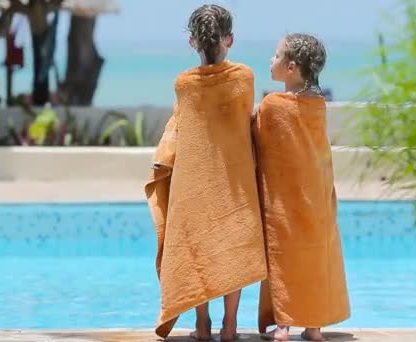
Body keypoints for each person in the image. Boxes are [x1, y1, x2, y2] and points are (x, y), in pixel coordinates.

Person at [145, 4, 266, 341]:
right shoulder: (245, 77)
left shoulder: (183, 83)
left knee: (195, 246)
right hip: (235, 178)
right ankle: (230, 326)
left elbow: (182, 125)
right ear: (230, 39)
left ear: (192, 43)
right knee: (236, 247)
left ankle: (202, 324)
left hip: (192, 179)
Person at [252, 33, 351, 341]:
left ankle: (284, 326)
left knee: (284, 257)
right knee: (316, 255)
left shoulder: (273, 105)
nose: (271, 59)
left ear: (291, 67)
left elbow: (256, 132)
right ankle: (314, 326)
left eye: (276, 55)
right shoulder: (317, 104)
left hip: (286, 200)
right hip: (318, 196)